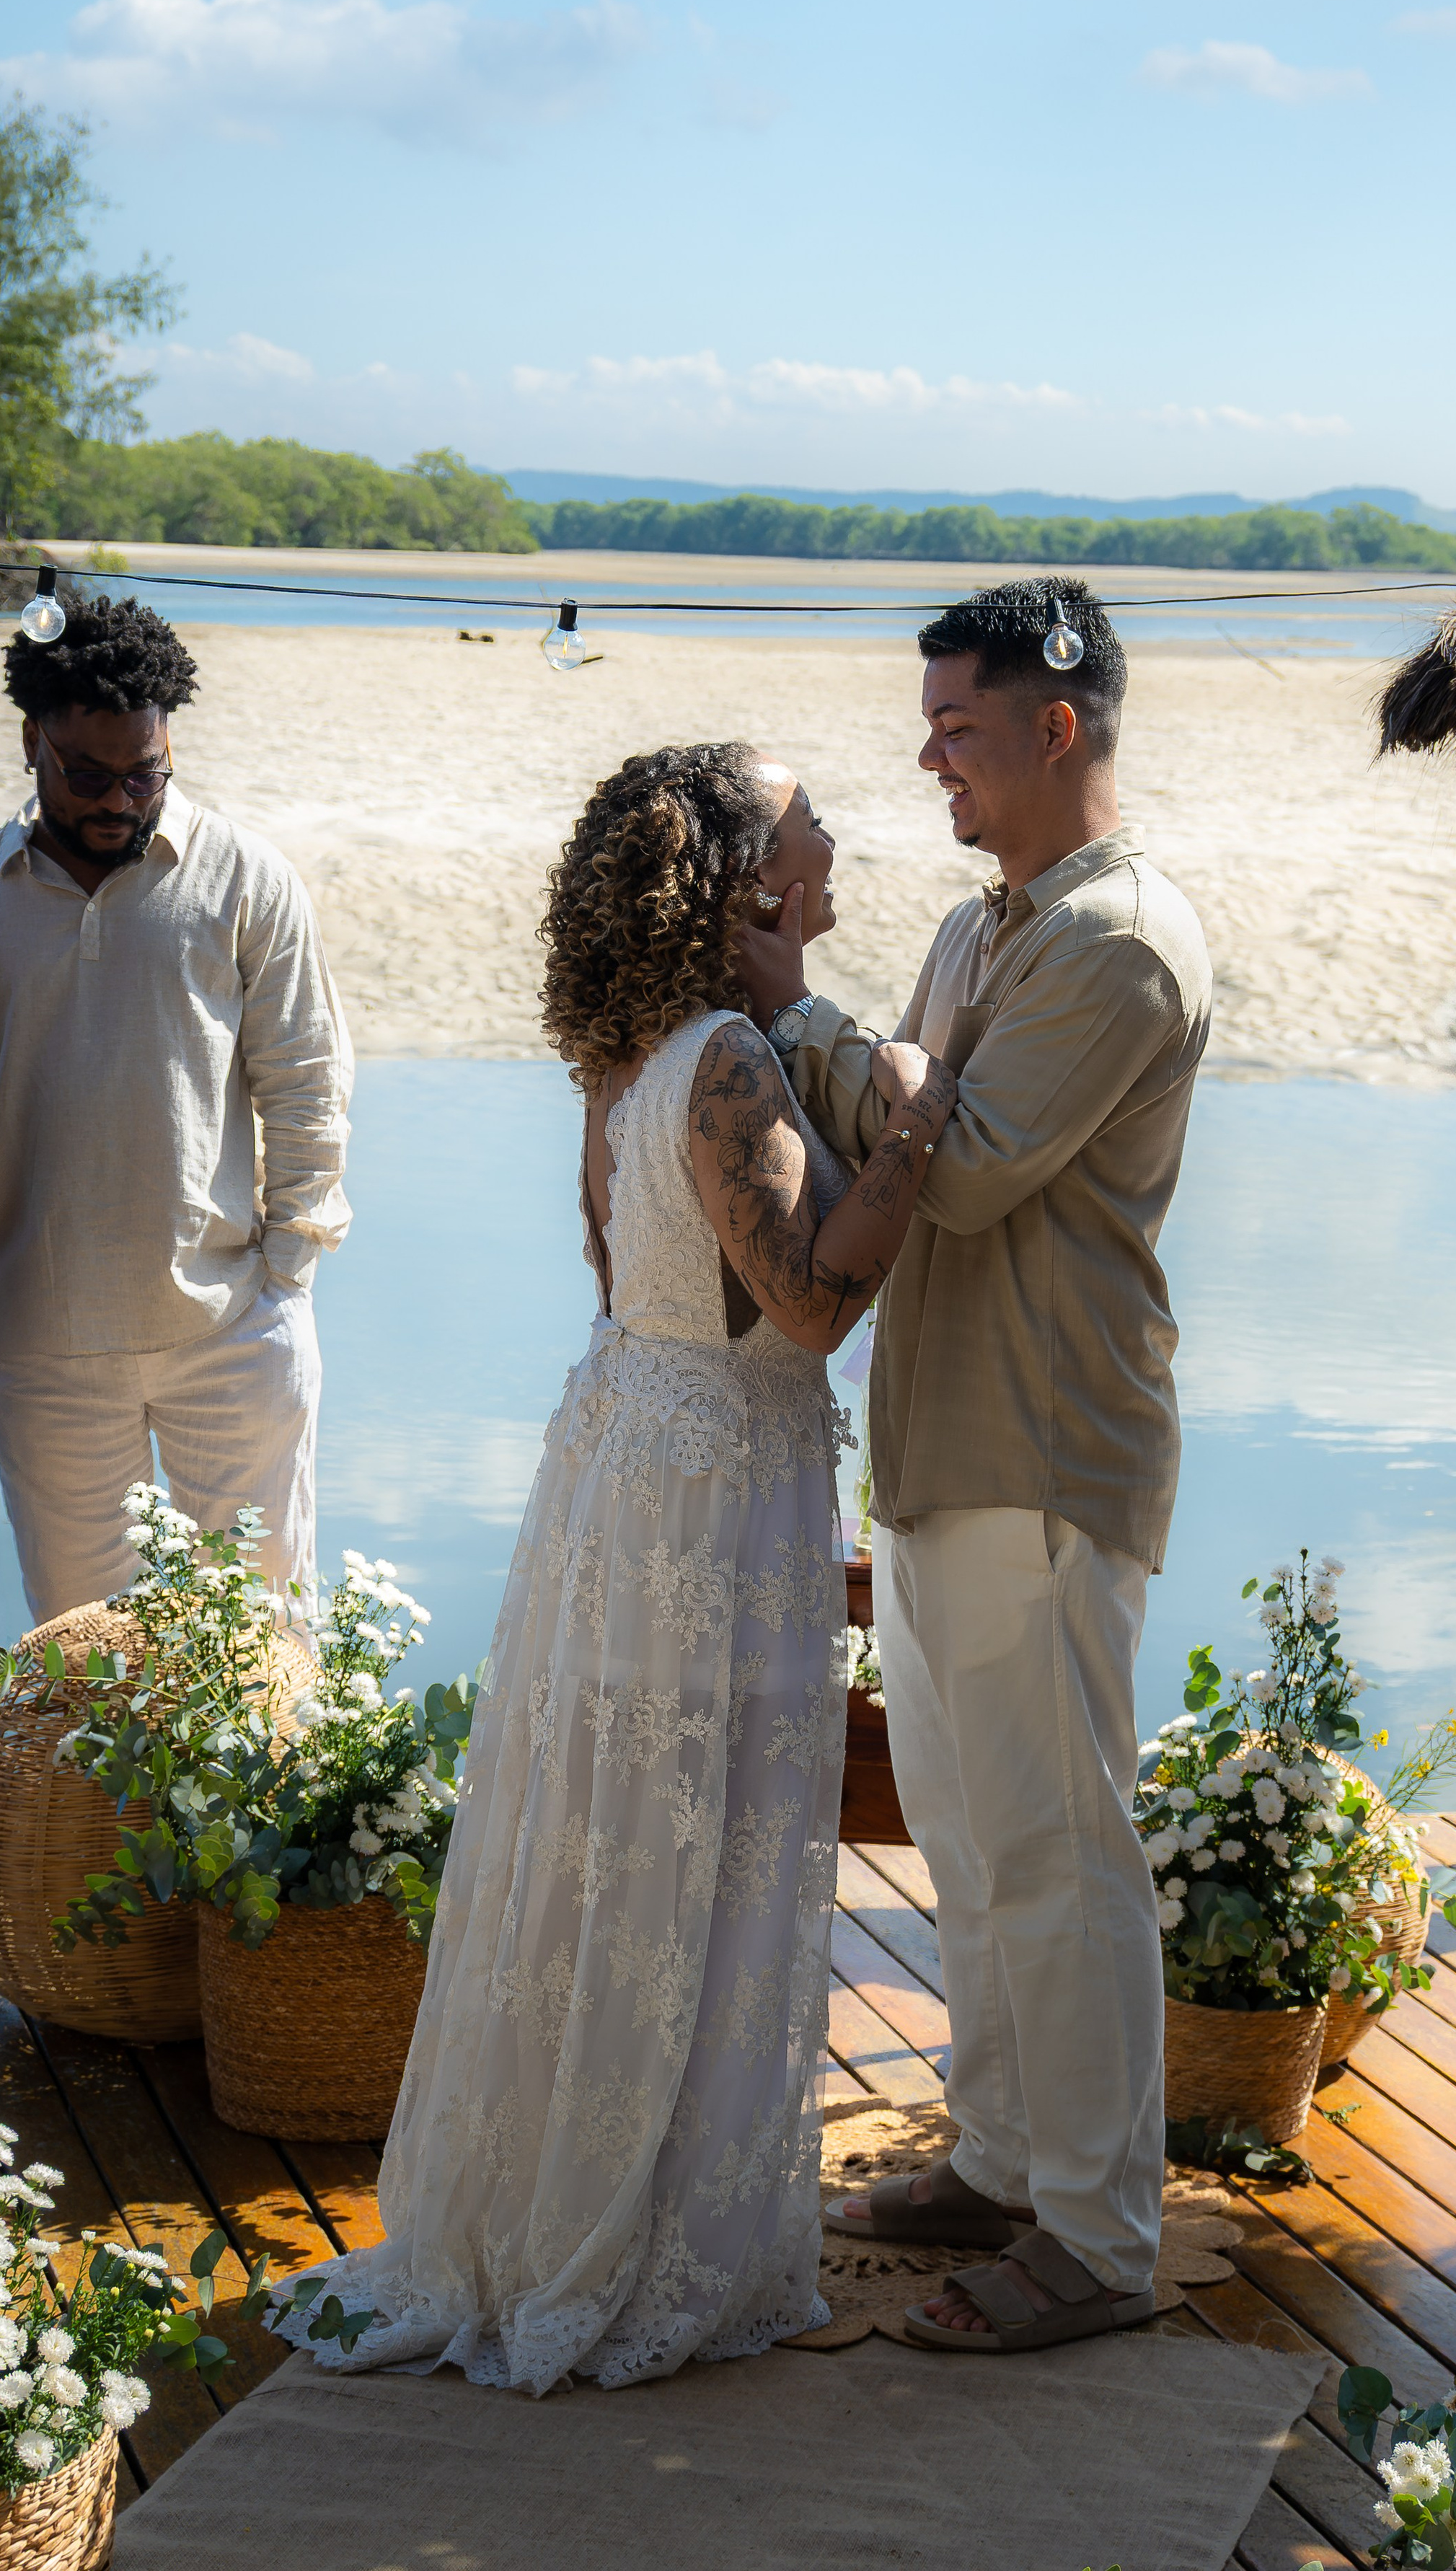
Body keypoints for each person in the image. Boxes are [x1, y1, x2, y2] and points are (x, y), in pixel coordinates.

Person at [275, 743, 953, 2391]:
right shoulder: (722, 1057)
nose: (832, 830)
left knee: (615, 1849)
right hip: (718, 1486)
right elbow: (801, 1304)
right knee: (696, 1857)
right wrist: (913, 1148)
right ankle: (647, 2238)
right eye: (805, 822)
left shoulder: (626, 1052)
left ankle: (602, 2194)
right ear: (745, 881)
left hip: (633, 1462)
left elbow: (624, 1263)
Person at [736, 577, 1213, 2355]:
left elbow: (975, 1153)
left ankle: (1095, 2238)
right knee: (966, 1828)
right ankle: (1006, 2157)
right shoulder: (970, 922)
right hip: (942, 1441)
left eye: (955, 724)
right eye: (926, 720)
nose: (925, 749)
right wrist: (889, 1064)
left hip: (1045, 1440)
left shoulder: (1119, 940)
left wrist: (800, 1018)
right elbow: (910, 1112)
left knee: (1059, 1843)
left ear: (1056, 727)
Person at [0, 593, 352, 1622]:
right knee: (83, 1671)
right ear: (30, 742)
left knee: (262, 1651)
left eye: (146, 771)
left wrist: (287, 1282)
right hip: (42, 1349)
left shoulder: (249, 879)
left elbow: (307, 1087)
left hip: (232, 1335)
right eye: (88, 775)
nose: (121, 799)